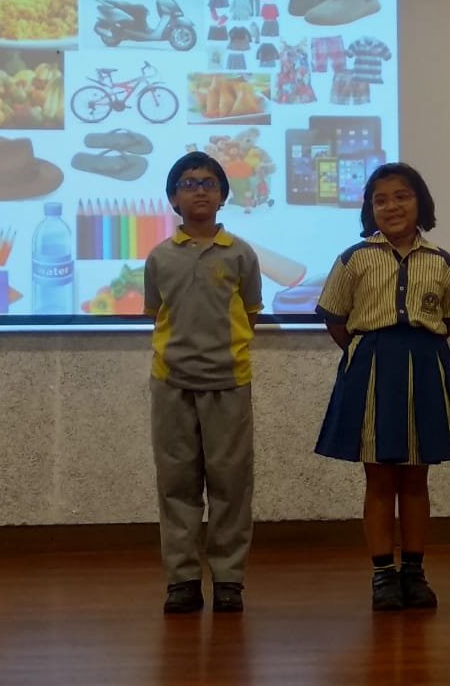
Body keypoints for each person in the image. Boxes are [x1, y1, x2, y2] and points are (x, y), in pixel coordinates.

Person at [314, 162, 450, 611]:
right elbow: (336, 320)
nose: (391, 206)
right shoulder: (353, 259)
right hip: (370, 370)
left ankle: (414, 573)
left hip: (425, 369)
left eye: (402, 196)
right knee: (380, 478)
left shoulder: (444, 263)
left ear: (420, 202)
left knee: (417, 477)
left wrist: (413, 349)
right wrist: (372, 352)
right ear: (369, 209)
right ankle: (383, 574)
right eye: (380, 199)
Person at [143, 152, 263, 614]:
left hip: (228, 382)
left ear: (223, 195)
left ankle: (229, 579)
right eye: (189, 183)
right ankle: (183, 580)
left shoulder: (240, 254)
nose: (200, 190)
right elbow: (157, 313)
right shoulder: (159, 257)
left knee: (231, 484)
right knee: (177, 484)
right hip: (172, 384)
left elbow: (249, 312)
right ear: (173, 198)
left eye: (209, 183)